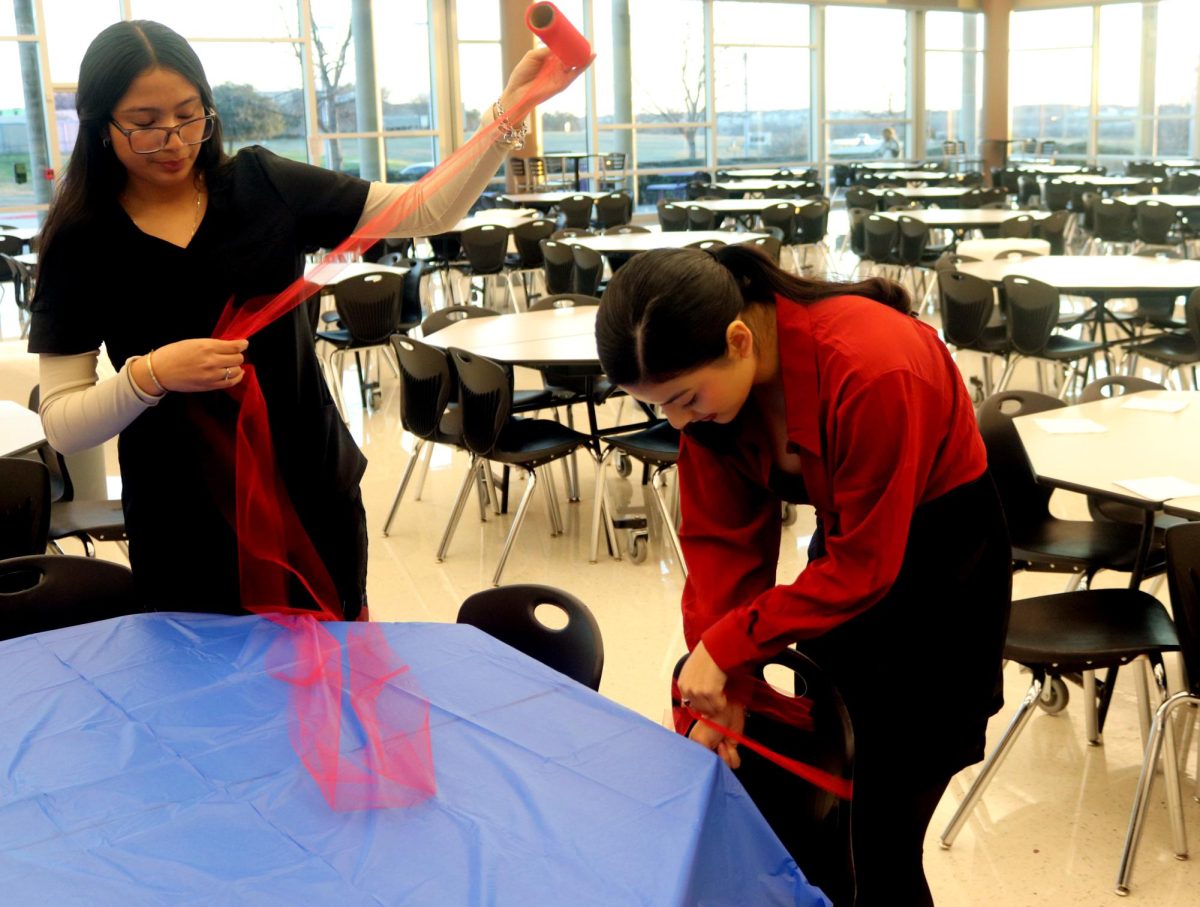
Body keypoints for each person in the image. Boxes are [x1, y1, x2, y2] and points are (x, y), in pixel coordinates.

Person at [29, 20, 586, 619]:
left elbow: (427, 208)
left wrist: (508, 113)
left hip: (307, 486)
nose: (173, 140)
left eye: (189, 115)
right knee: (211, 694)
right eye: (143, 125)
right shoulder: (82, 241)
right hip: (185, 514)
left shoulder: (263, 185)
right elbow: (62, 425)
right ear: (98, 125)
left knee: (328, 681)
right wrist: (151, 375)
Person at [595, 245, 1011, 906]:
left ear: (739, 339)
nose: (677, 423)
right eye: (659, 407)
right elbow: (719, 552)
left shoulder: (872, 365)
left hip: (942, 574)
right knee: (825, 812)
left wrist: (729, 648)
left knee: (881, 835)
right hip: (846, 566)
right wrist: (720, 689)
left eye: (683, 398)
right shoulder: (715, 399)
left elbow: (869, 563)